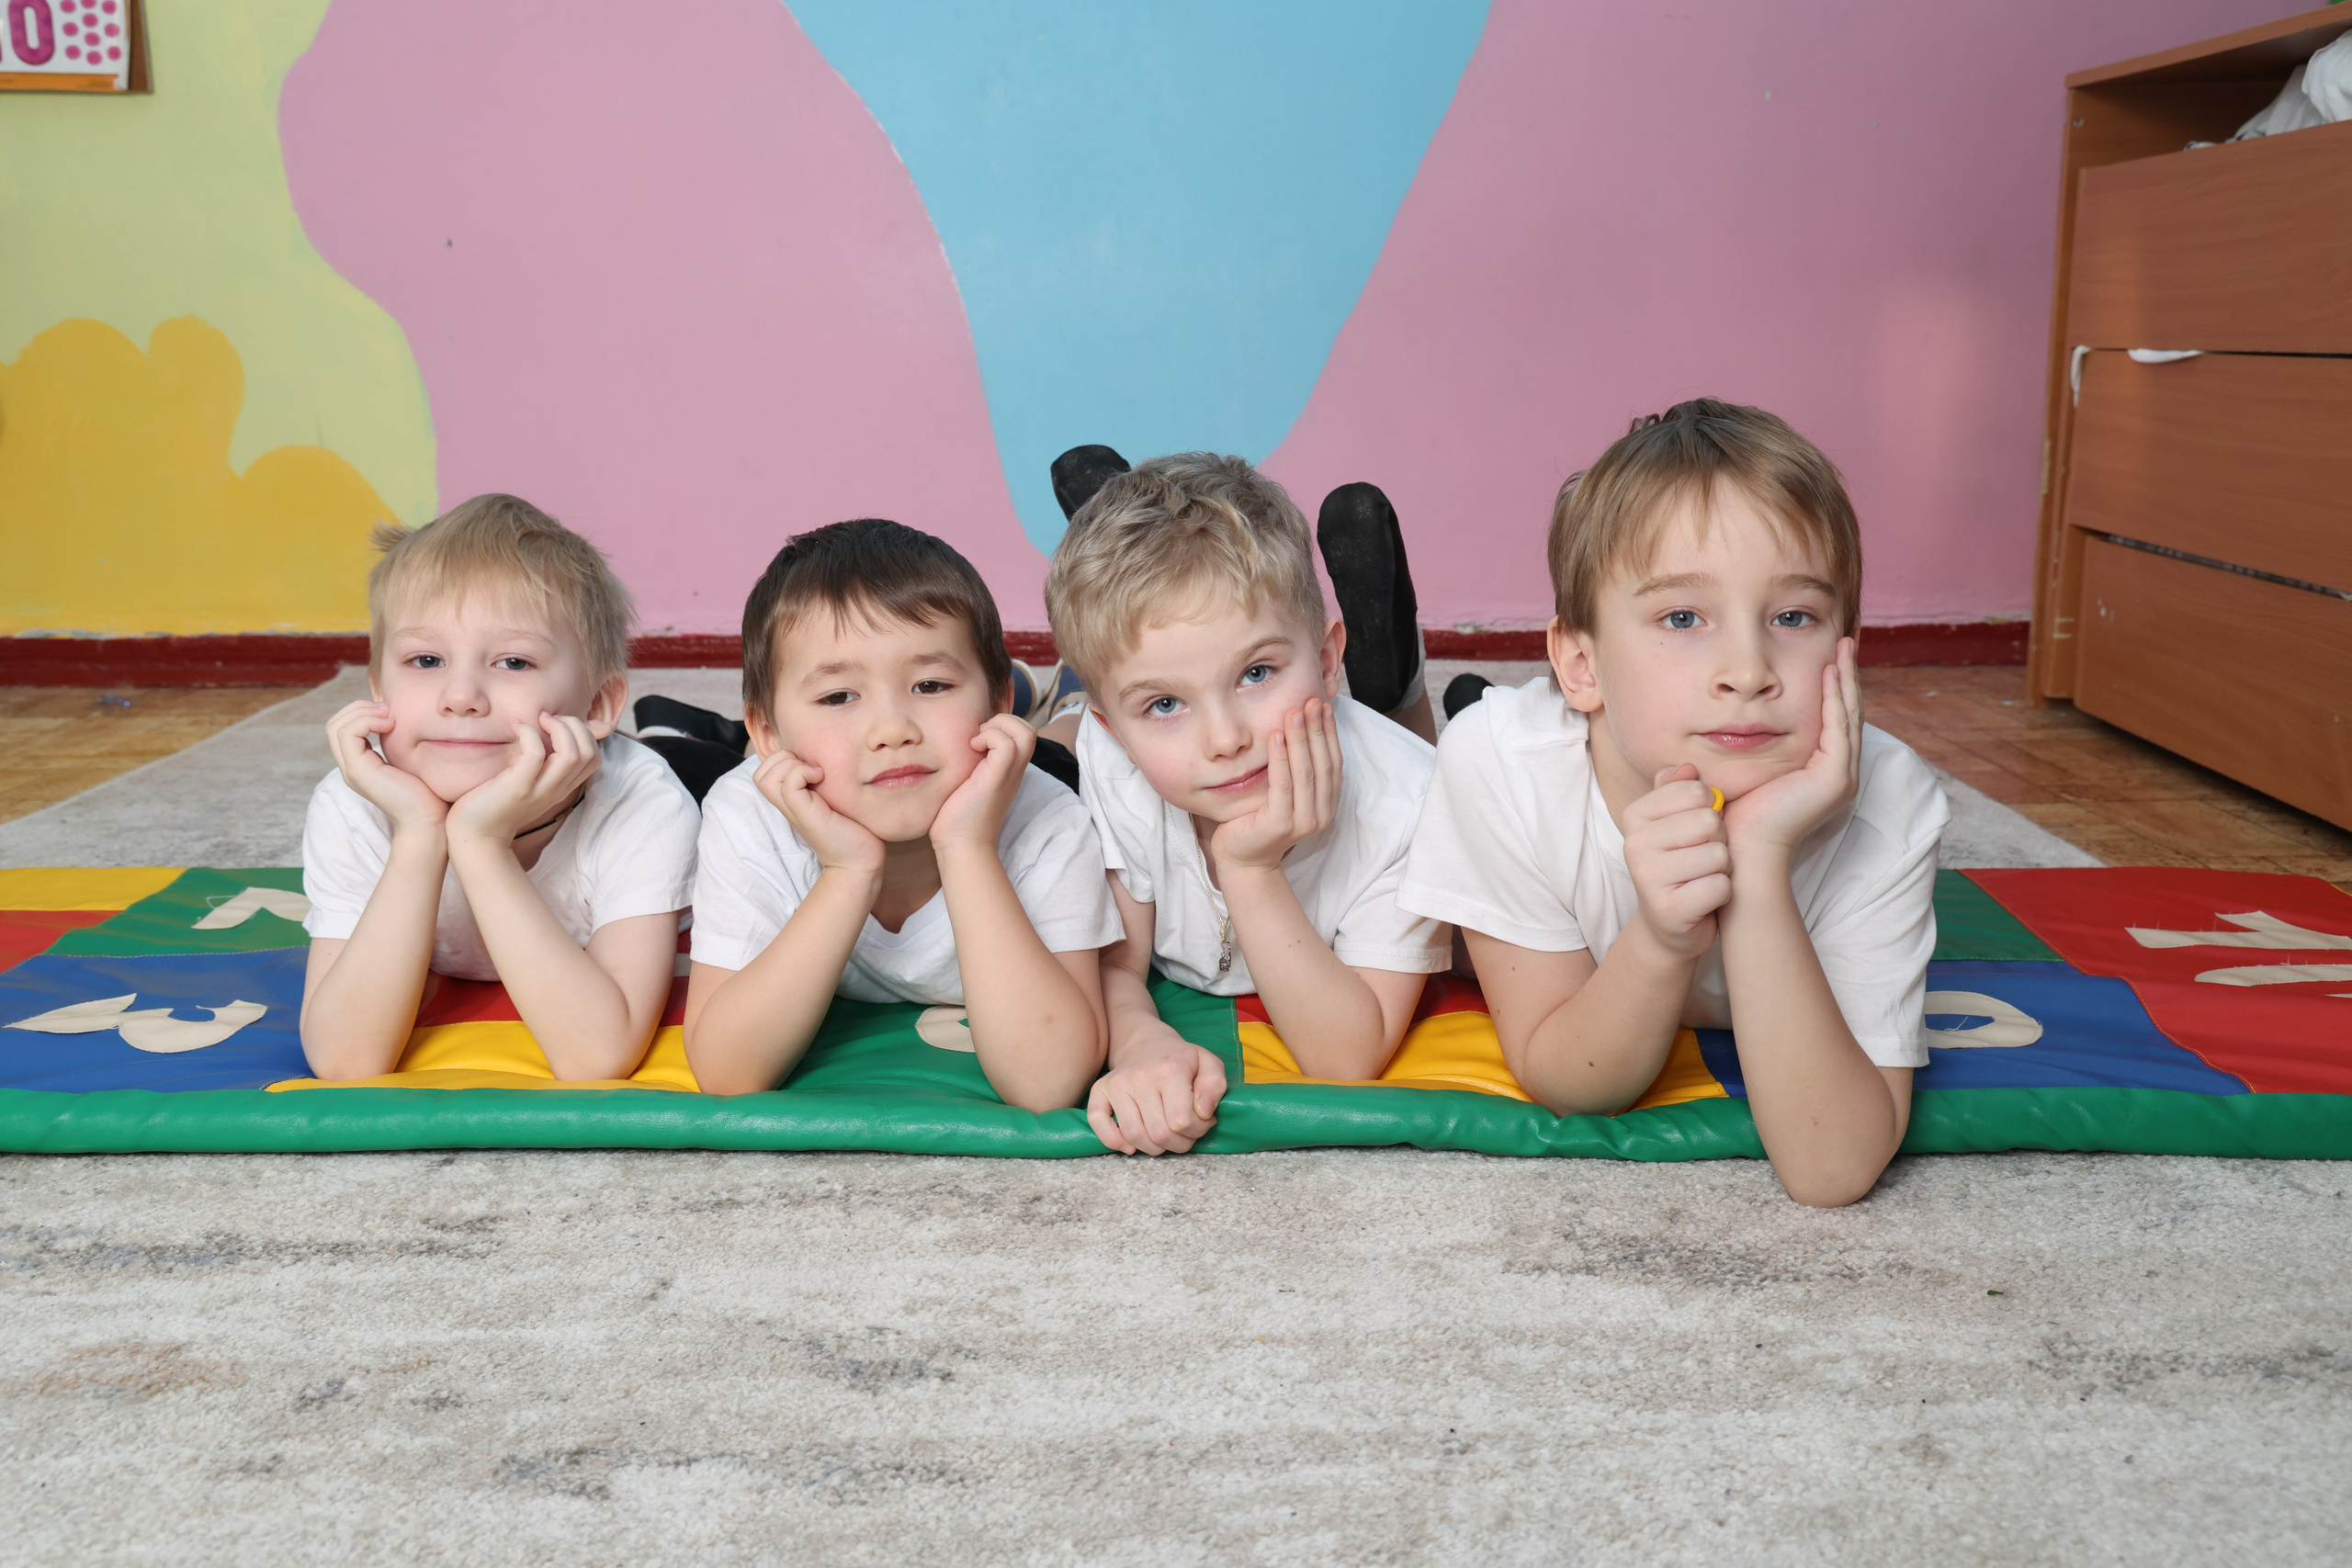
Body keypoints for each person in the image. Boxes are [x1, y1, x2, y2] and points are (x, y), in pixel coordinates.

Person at [1400, 400, 1948, 1207]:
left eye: (1793, 616)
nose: (1748, 668)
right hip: (1515, 751)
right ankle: (1406, 698)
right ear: (1581, 664)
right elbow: (1570, 1080)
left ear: (1845, 653)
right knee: (1393, 813)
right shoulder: (1498, 765)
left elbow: (1832, 1168)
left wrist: (1757, 862)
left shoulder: (1892, 800)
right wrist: (1659, 940)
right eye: (1683, 617)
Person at [1046, 454, 1453, 1156]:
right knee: (1045, 758)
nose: (1227, 738)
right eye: (1166, 703)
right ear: (1113, 732)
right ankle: (1110, 571)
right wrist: (1143, 1042)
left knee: (1417, 751)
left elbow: (1346, 1059)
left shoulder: (1406, 804)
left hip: (1385, 752)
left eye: (1256, 672)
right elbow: (1116, 966)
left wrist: (1250, 870)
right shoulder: (1117, 766)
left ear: (1327, 661)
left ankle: (1393, 679)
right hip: (1111, 728)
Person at [683, 520, 1122, 1106]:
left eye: (932, 685)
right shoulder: (745, 813)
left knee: (1068, 750)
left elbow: (1048, 1082)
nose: (892, 730)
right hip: (877, 766)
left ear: (996, 704)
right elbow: (727, 1072)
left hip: (1011, 772)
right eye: (839, 697)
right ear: (766, 733)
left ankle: (1070, 699)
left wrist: (968, 848)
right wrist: (847, 872)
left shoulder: (1051, 820)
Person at [300, 494, 698, 1081]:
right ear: (377, 689)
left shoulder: (644, 801)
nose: (460, 696)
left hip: (682, 771)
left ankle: (691, 730)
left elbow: (595, 1056)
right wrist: (418, 835)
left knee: (707, 767)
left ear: (597, 704)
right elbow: (345, 1061)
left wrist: (482, 844)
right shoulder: (350, 805)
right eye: (426, 659)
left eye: (513, 663)